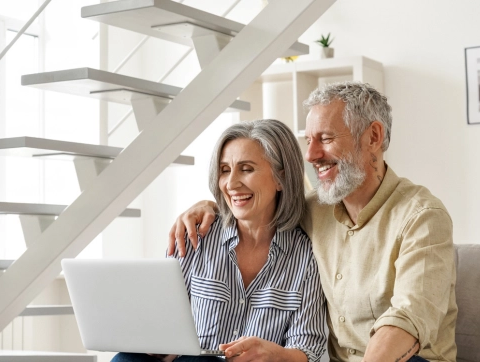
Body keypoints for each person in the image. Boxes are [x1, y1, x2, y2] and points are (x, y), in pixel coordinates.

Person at [168, 82, 457, 362]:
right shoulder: (313, 210)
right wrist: (209, 206)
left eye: (326, 139)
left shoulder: (423, 217)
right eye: (309, 141)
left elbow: (407, 320)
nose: (310, 155)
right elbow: (259, 205)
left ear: (373, 137)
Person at [113, 120, 327, 362]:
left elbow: (308, 347)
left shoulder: (305, 255)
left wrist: (277, 354)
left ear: (281, 178)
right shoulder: (195, 236)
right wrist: (153, 342)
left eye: (246, 169)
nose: (231, 183)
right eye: (225, 170)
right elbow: (161, 326)